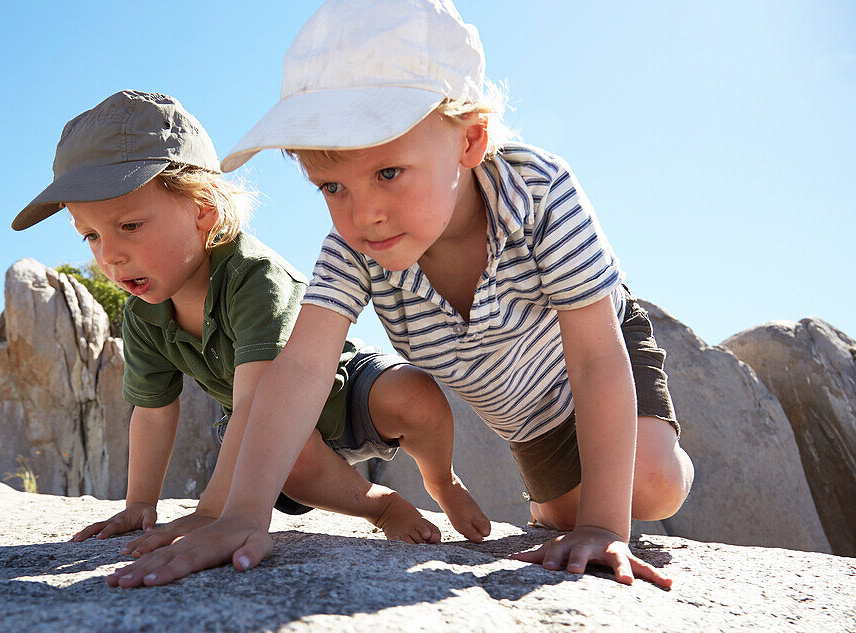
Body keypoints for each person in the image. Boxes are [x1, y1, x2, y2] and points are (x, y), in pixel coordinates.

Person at [109, 0, 693, 590]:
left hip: (589, 360)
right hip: (519, 411)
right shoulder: (353, 249)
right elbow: (303, 368)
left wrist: (604, 526)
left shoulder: (540, 193)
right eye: (332, 186)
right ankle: (558, 506)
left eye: (388, 173)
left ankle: (605, 492)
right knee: (559, 525)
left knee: (652, 485)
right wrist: (241, 514)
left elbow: (594, 357)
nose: (365, 215)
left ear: (469, 142)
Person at [12, 89, 491, 562]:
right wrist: (140, 504)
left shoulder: (253, 277)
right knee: (282, 459)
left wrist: (213, 512)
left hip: (346, 390)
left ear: (204, 209)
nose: (109, 254)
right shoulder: (143, 315)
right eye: (91, 236)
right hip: (276, 428)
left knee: (415, 395)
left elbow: (257, 401)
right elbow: (154, 412)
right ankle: (382, 508)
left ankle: (440, 479)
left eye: (130, 226)